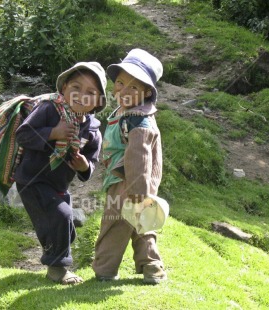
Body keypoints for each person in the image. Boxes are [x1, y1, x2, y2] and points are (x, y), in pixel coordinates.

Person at [14, 62, 107, 285]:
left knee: (64, 222)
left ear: (97, 103)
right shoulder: (48, 109)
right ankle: (57, 269)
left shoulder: (92, 131)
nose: (81, 95)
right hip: (32, 179)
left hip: (59, 184)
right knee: (62, 217)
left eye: (90, 93)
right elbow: (23, 134)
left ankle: (55, 251)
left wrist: (84, 166)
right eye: (76, 87)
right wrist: (53, 132)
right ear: (63, 88)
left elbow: (90, 167)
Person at [92, 48, 167, 284]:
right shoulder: (127, 112)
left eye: (133, 87)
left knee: (114, 223)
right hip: (136, 183)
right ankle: (152, 267)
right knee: (142, 224)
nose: (123, 91)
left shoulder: (138, 121)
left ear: (146, 92)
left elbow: (139, 156)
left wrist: (136, 191)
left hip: (129, 181)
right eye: (120, 83)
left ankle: (105, 269)